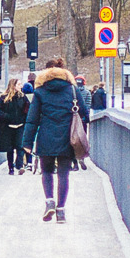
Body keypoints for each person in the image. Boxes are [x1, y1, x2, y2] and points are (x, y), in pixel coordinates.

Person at [22, 57, 87, 224]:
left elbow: (32, 119)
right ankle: (61, 212)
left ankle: (49, 200)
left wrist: (27, 143)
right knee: (64, 174)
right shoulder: (72, 90)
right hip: (67, 138)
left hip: (46, 137)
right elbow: (85, 114)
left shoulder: (40, 92)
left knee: (47, 171)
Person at [0, 80, 32, 175]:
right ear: (13, 86)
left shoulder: (22, 97)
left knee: (20, 146)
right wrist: (6, 117)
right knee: (9, 148)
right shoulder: (4, 97)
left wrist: (24, 119)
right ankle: (11, 168)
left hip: (20, 125)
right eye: (19, 84)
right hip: (8, 127)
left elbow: (28, 108)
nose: (21, 86)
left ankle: (19, 166)